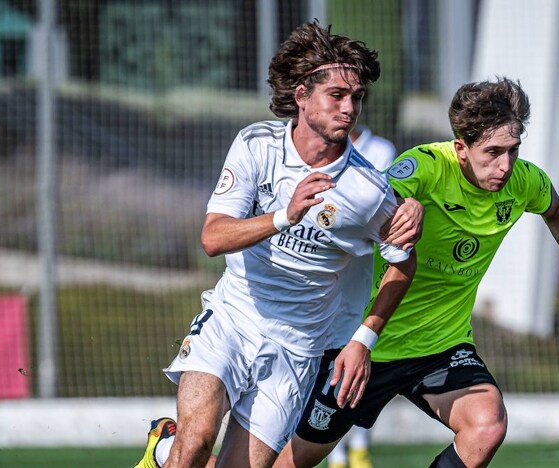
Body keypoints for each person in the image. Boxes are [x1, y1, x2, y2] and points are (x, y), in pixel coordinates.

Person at [276, 77, 559, 468]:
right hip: (365, 344)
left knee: (487, 425)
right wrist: (405, 205)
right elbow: (370, 199)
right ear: (461, 148)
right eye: (492, 152)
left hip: (440, 347)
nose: (505, 165)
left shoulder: (525, 180)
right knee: (295, 461)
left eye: (513, 151)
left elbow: (556, 210)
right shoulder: (425, 167)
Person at [134, 21, 420, 468]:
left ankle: (162, 447)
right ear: (302, 95)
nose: (350, 109)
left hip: (297, 349)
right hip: (232, 319)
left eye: (357, 98)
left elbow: (404, 262)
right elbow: (213, 237)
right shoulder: (256, 145)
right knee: (196, 443)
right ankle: (176, 447)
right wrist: (285, 216)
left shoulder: (368, 190)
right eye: (337, 96)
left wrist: (365, 337)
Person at [322, 125, 398, 468]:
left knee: (358, 366)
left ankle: (359, 449)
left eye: (353, 96)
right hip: (323, 283)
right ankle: (334, 454)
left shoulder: (381, 150)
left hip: (364, 278)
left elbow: (382, 207)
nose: (346, 108)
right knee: (326, 371)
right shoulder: (306, 151)